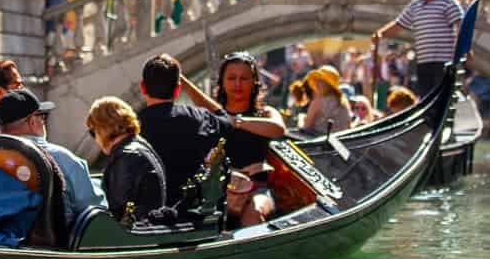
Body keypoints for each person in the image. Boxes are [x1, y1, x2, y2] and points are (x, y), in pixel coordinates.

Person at [137, 54, 277, 205]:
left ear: (142, 87)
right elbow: (225, 121)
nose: (237, 84)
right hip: (192, 205)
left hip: (150, 206)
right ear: (177, 90)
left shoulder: (132, 125)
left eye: (243, 78)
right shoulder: (201, 118)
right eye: (231, 78)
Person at [0, 88, 104, 227]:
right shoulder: (64, 159)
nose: (44, 122)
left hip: (2, 238)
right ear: (33, 121)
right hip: (57, 242)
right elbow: (93, 210)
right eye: (42, 117)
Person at [372, 0, 464, 97]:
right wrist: (380, 34)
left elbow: (460, 24)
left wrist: (462, 48)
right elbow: (399, 24)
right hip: (424, 61)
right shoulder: (415, 5)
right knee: (427, 96)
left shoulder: (448, 1)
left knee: (441, 95)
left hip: (444, 60)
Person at [86, 97, 167, 222]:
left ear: (103, 128)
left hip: (135, 233)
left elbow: (117, 209)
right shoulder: (140, 145)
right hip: (148, 227)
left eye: (93, 132)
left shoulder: (126, 157)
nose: (95, 139)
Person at [301, 66, 351, 133]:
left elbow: (306, 127)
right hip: (343, 141)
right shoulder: (344, 101)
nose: (316, 84)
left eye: (321, 81)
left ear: (329, 84)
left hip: (320, 142)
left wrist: (301, 120)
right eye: (317, 80)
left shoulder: (318, 102)